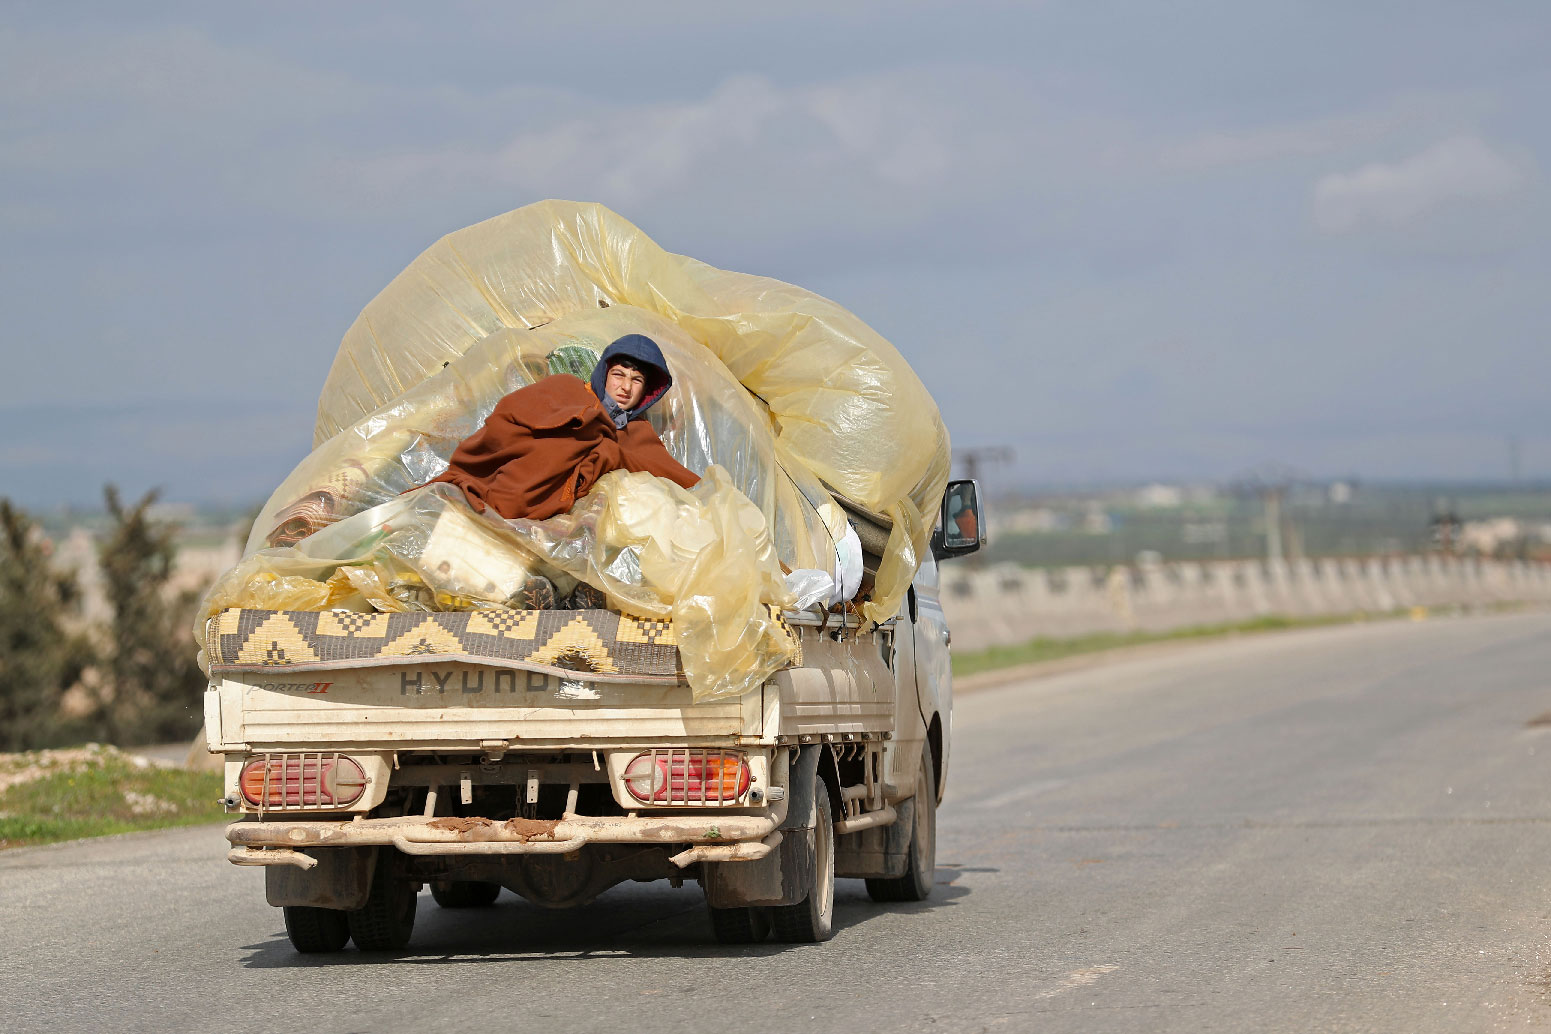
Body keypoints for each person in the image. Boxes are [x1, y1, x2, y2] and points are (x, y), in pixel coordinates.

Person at [424, 333, 699, 523]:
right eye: (619, 375)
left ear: (647, 392)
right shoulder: (567, 387)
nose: (626, 387)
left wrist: (608, 450)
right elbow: (508, 416)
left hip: (556, 512)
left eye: (636, 380)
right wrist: (586, 419)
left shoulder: (637, 433)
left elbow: (677, 477)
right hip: (510, 485)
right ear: (604, 373)